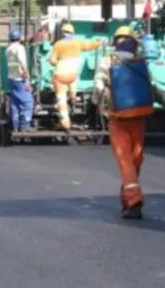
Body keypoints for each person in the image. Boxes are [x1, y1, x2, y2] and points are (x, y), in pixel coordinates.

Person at [102, 26, 156, 219]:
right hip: (139, 117)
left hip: (118, 118)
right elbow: (151, 86)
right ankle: (128, 199)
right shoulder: (140, 63)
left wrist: (100, 105)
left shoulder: (107, 62)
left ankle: (133, 200)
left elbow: (98, 90)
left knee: (125, 160)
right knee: (135, 159)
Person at [48, 23, 103, 131]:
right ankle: (73, 97)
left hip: (60, 76)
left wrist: (54, 62)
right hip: (73, 76)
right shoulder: (78, 43)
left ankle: (65, 122)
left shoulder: (58, 44)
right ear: (73, 33)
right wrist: (99, 42)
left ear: (62, 33)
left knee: (61, 99)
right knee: (72, 88)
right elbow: (90, 45)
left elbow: (53, 60)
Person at [5, 28, 34, 132]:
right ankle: (25, 125)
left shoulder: (8, 49)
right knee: (28, 102)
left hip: (11, 79)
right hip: (20, 79)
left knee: (15, 102)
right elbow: (22, 62)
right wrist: (26, 73)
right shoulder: (19, 48)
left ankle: (15, 125)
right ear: (19, 37)